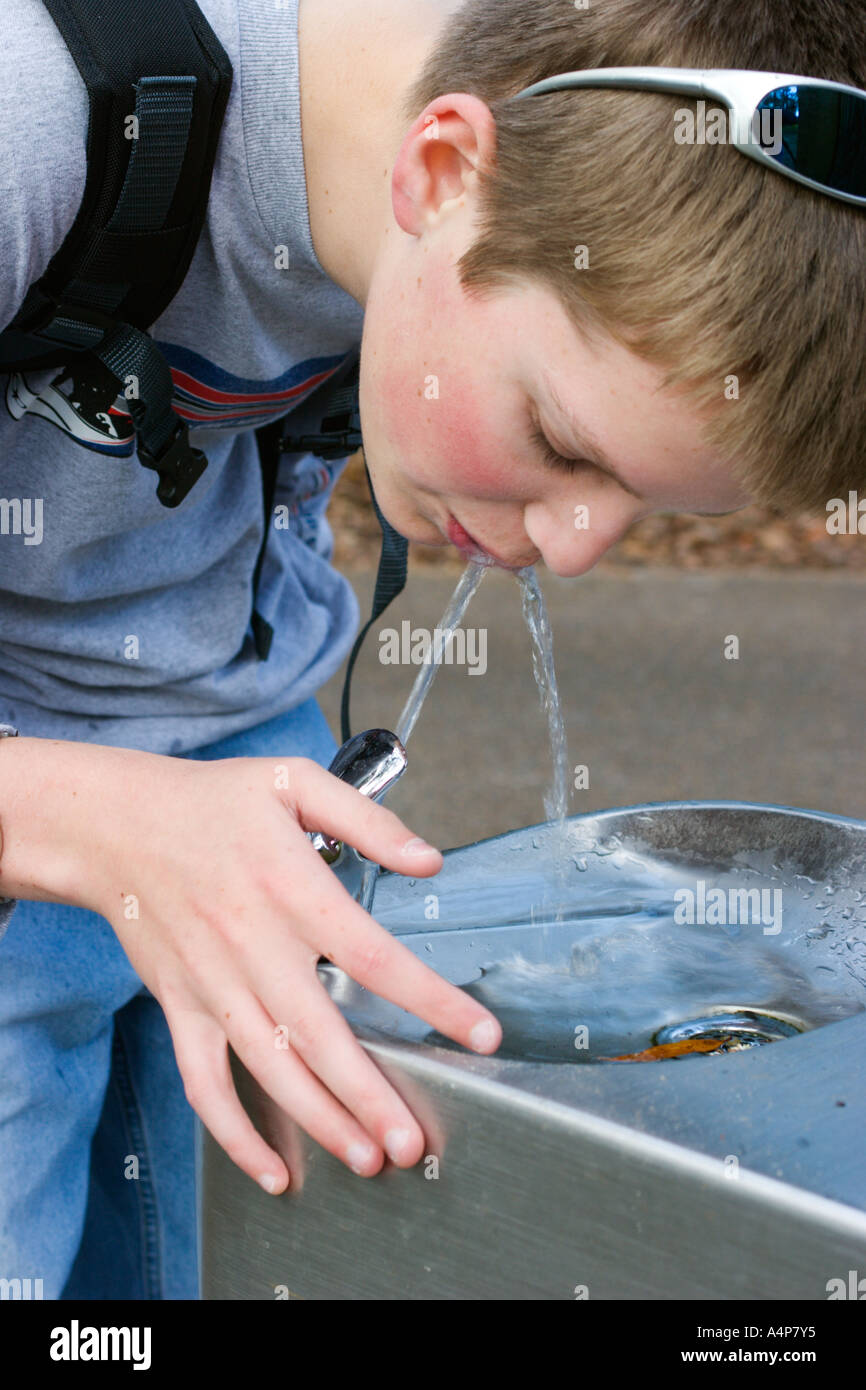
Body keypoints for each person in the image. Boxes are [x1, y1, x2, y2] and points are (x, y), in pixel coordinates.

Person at [0, 0, 863, 1299]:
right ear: (443, 171)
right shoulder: (33, 121)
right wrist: (77, 816)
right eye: (565, 444)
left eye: (638, 502)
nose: (574, 546)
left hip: (247, 766)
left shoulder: (508, 139)